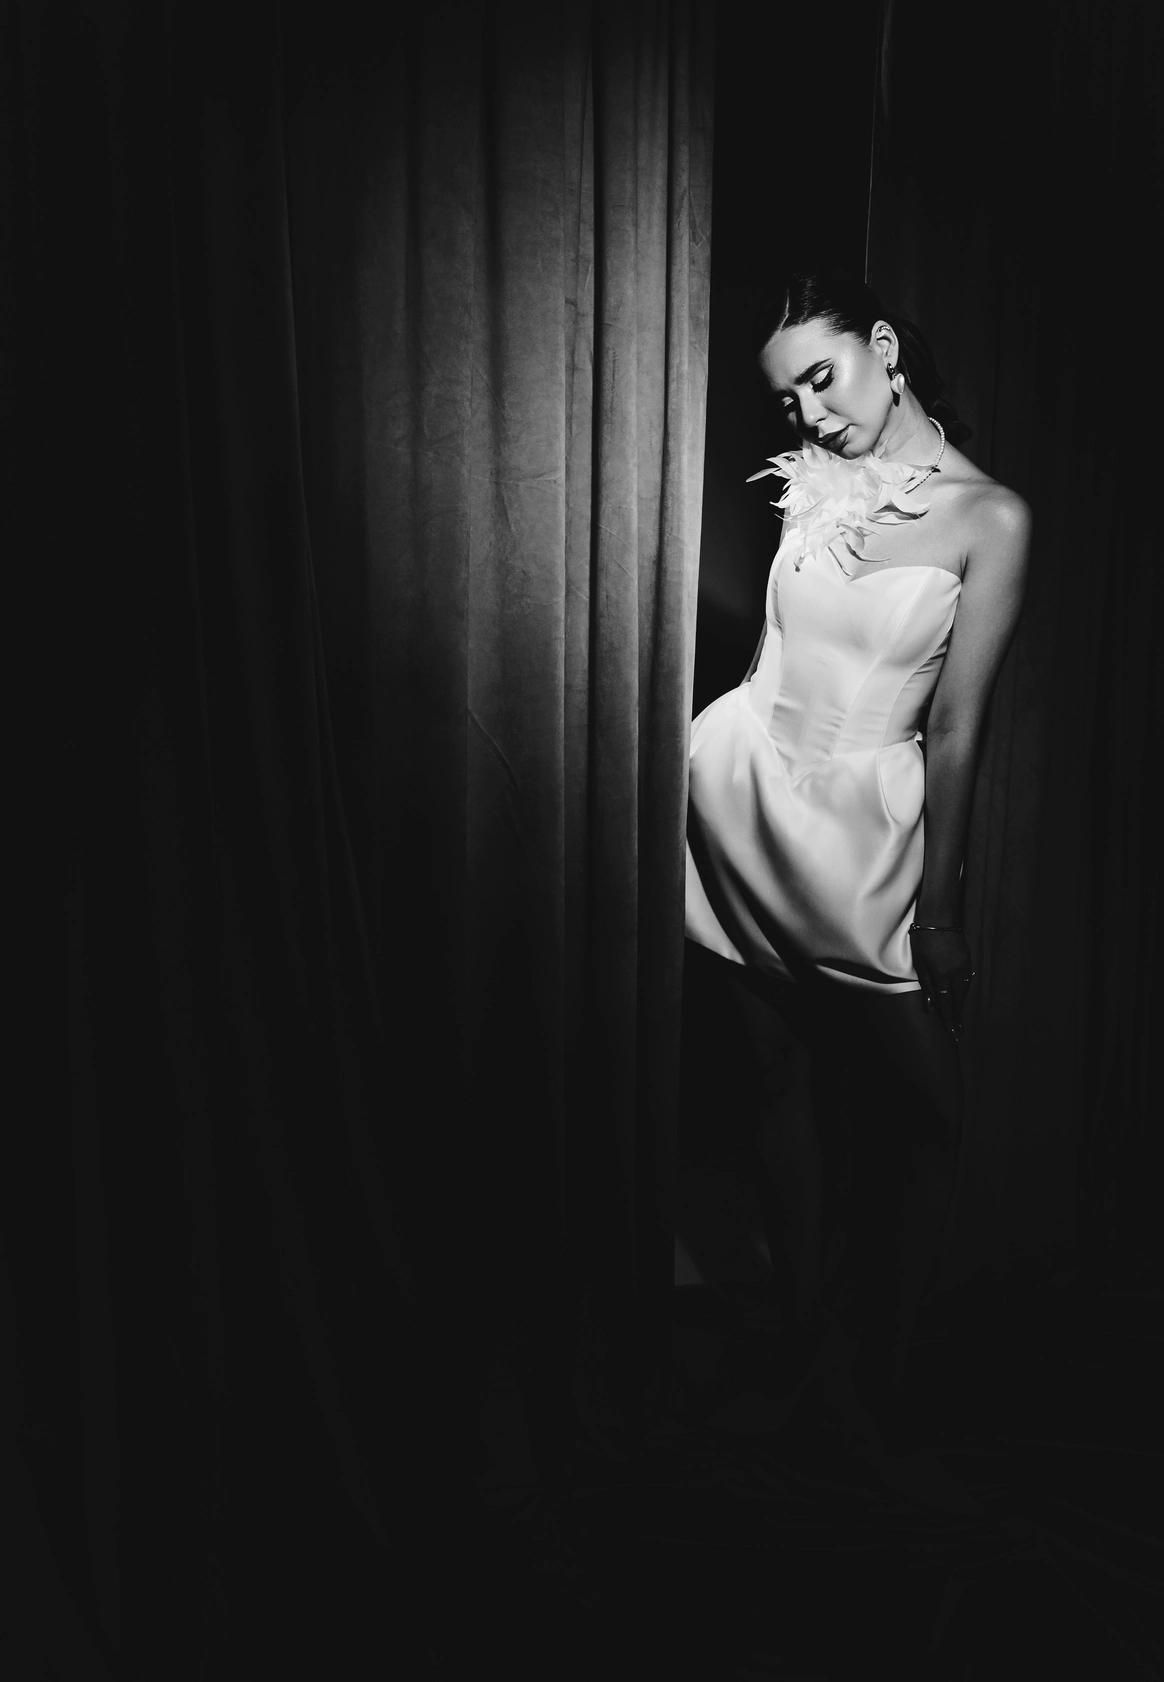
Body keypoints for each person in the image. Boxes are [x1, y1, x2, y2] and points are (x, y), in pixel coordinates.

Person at [685, 268, 1031, 1500]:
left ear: (885, 347)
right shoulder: (810, 483)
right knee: (769, 1080)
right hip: (739, 797)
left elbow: (959, 730)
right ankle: (798, 1345)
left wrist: (938, 910)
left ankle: (865, 1388)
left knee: (927, 1118)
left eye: (823, 378)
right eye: (789, 400)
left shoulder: (991, 519)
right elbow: (775, 654)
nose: (810, 415)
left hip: (859, 838)